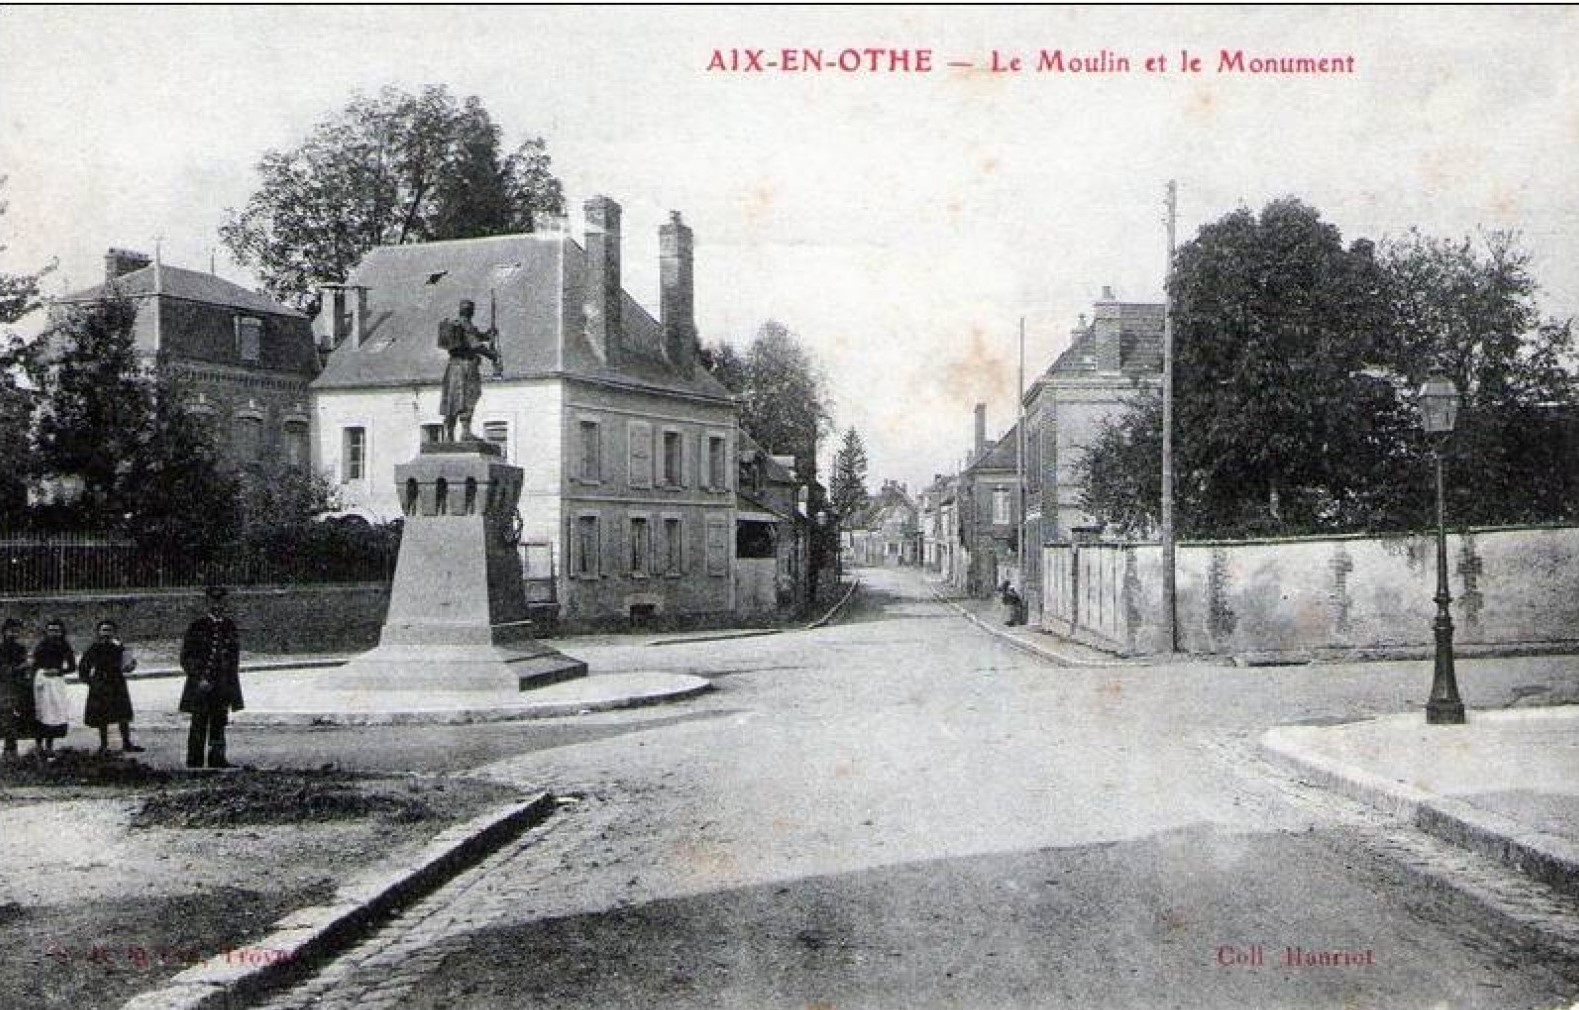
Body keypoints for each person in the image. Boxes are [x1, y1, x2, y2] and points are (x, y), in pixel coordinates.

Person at [179, 586, 243, 769]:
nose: (218, 605)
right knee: (199, 722)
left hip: (222, 684)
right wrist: (199, 678)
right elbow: (186, 657)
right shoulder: (197, 626)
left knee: (219, 721)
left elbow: (233, 658)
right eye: (214, 601)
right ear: (207, 603)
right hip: (201, 685)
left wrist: (230, 683)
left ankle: (217, 759)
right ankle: (195, 761)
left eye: (222, 601)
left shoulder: (230, 626)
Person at [437, 298, 502, 442]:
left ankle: (449, 434)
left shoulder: (459, 324)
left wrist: (487, 335)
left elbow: (476, 337)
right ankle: (465, 432)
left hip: (453, 367)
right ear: (471, 311)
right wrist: (493, 356)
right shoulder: (466, 325)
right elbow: (475, 345)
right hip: (466, 366)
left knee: (452, 400)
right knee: (469, 396)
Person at [81, 619, 143, 755]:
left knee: (123, 714)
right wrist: (90, 682)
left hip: (117, 682)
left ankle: (127, 743)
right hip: (101, 682)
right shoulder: (94, 647)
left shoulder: (119, 646)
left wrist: (131, 665)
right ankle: (104, 745)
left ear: (114, 632)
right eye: (103, 630)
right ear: (98, 632)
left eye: (109, 630)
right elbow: (83, 666)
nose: (106, 633)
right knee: (102, 716)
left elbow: (128, 663)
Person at [31, 618, 75, 756]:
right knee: (41, 712)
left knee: (54, 713)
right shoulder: (41, 645)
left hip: (56, 681)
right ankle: (38, 745)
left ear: (61, 632)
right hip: (41, 680)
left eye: (57, 630)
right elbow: (34, 663)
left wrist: (59, 671)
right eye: (51, 630)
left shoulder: (65, 646)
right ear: (46, 631)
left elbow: (73, 667)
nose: (53, 633)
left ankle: (49, 745)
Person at [0, 618, 31, 759]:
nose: (14, 634)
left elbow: (25, 669)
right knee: (7, 715)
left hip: (18, 686)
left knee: (15, 715)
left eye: (16, 631)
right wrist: (20, 667)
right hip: (4, 686)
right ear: (4, 632)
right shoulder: (1, 648)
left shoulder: (21, 648)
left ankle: (12, 749)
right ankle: (8, 750)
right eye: (11, 631)